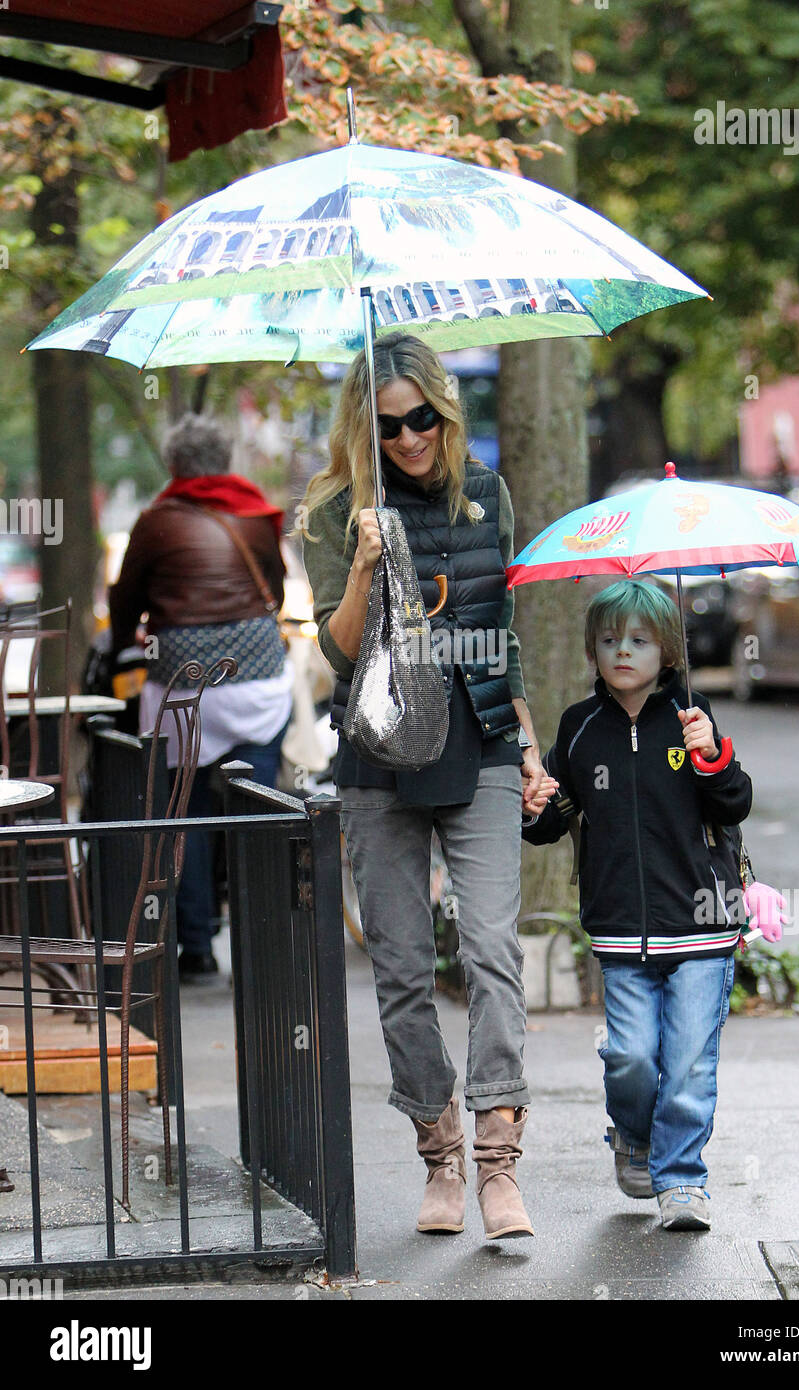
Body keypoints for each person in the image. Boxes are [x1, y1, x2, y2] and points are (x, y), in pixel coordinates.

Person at [302, 331, 544, 1241]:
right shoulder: (335, 509)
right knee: (402, 968)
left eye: (424, 420)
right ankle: (437, 1151)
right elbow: (335, 649)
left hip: (477, 743)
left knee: (488, 948)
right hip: (377, 755)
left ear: (446, 413)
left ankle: (495, 1157)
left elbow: (504, 630)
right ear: (365, 430)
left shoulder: (484, 496)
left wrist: (526, 744)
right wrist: (365, 563)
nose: (410, 440)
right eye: (392, 425)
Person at [522, 579, 755, 1231]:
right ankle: (632, 1134)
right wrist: (536, 803)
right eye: (607, 640)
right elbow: (552, 821)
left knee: (686, 1062)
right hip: (621, 931)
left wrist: (710, 756)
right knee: (629, 1056)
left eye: (639, 640)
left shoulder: (690, 714)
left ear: (668, 650)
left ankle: (681, 1181)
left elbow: (733, 803)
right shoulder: (580, 728)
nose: (621, 651)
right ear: (590, 650)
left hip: (701, 925)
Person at [109, 413, 293, 978]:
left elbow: (125, 602)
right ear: (226, 460)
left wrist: (124, 647)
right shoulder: (257, 515)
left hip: (183, 687)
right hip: (258, 680)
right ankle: (264, 944)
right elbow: (277, 591)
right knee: (259, 808)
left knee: (184, 812)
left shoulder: (154, 523)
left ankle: (195, 949)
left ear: (173, 465)